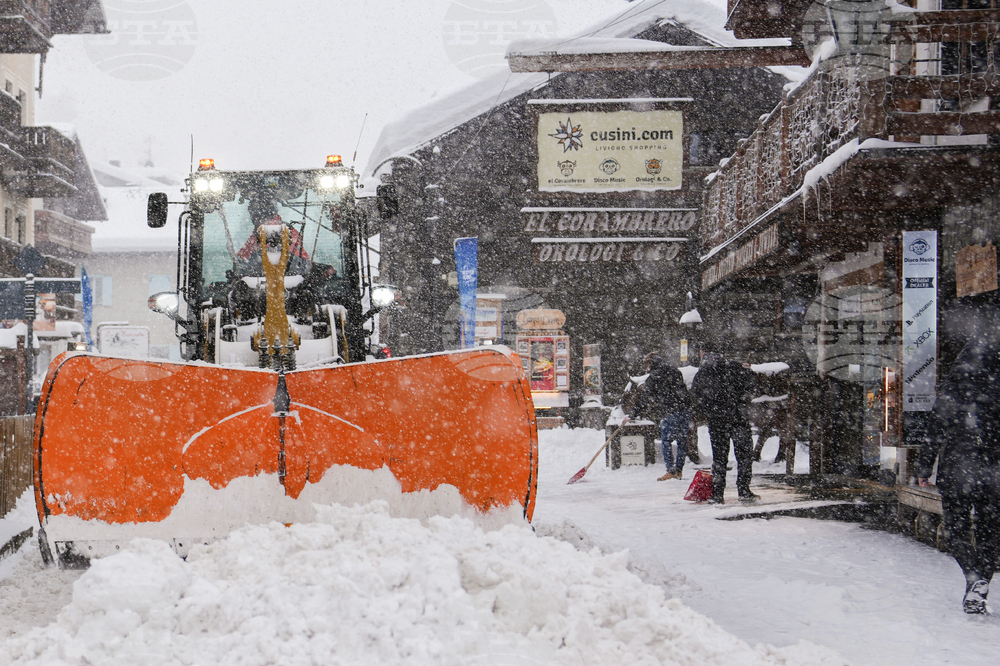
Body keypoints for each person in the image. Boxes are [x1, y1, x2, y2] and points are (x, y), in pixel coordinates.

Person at [917, 317, 1000, 614]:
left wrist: (924, 467)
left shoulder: (955, 385)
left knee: (956, 530)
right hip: (994, 470)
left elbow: (935, 427)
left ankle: (974, 577)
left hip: (959, 468)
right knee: (991, 532)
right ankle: (978, 588)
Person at [690, 340, 758, 503]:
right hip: (738, 418)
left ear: (703, 353)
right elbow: (753, 387)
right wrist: (749, 372)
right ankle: (744, 489)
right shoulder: (735, 367)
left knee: (719, 458)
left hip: (716, 421)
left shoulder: (701, 373)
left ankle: (718, 494)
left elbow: (696, 396)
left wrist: (709, 409)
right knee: (744, 456)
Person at [631, 353, 692, 481]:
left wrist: (633, 414)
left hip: (672, 410)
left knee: (666, 441)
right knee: (682, 441)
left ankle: (670, 470)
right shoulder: (674, 370)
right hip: (685, 409)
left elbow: (644, 397)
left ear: (649, 364)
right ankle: (679, 471)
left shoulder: (654, 376)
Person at [236, 196, 311, 276]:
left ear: (260, 214)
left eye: (252, 213)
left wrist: (241, 269)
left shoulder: (273, 229)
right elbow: (243, 255)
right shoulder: (259, 231)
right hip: (293, 275)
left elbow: (265, 257)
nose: (251, 218)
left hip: (287, 275)